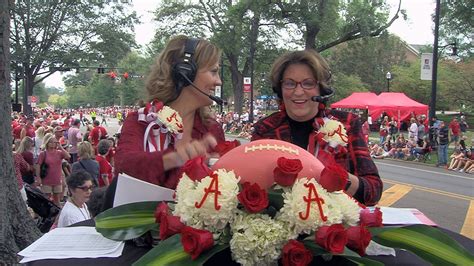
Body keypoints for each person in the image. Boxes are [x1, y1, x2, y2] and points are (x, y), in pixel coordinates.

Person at [102, 36, 225, 210]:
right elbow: (125, 167)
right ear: (184, 73)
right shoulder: (141, 121)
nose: (218, 81)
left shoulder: (212, 129)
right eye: (213, 71)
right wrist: (175, 158)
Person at [251, 49, 382, 206]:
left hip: (335, 225)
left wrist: (339, 178)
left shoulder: (347, 124)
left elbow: (373, 191)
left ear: (321, 89)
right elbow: (252, 187)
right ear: (280, 89)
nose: (298, 92)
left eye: (308, 83)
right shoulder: (265, 129)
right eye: (290, 83)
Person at [35, 133, 71, 205]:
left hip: (57, 179)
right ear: (47, 143)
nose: (52, 144)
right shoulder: (43, 154)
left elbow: (68, 156)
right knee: (47, 198)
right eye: (51, 142)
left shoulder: (59, 153)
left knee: (56, 198)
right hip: (46, 179)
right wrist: (38, 177)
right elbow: (38, 165)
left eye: (54, 142)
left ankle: (57, 214)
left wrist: (60, 147)